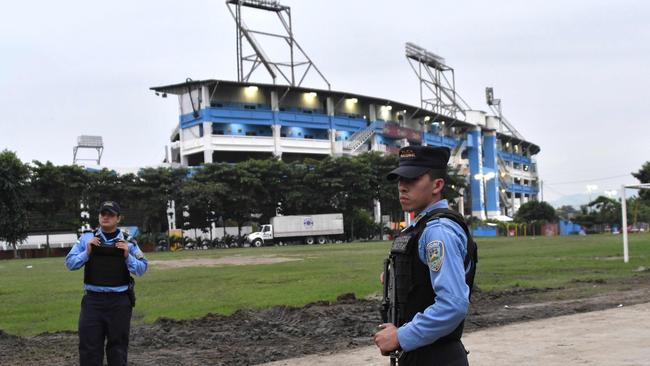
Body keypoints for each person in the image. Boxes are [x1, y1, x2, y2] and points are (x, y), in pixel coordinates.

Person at [373, 146, 477, 366]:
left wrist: (401, 336)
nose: (402, 186)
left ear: (437, 185)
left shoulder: (437, 231)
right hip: (422, 354)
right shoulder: (420, 226)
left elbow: (453, 304)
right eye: (400, 179)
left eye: (412, 179)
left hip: (435, 356)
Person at [65, 201, 148, 366]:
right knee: (89, 349)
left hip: (119, 303)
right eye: (103, 213)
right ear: (98, 216)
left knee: (117, 349)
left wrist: (127, 256)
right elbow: (70, 263)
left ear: (118, 218)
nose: (106, 217)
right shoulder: (87, 238)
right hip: (92, 303)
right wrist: (86, 252)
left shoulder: (129, 241)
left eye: (110, 214)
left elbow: (142, 268)